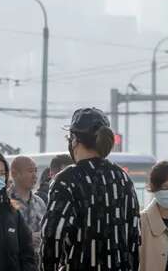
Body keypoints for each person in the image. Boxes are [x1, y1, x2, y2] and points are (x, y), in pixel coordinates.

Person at [40, 107, 140, 271]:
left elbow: (53, 235)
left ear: (74, 140)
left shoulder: (67, 180)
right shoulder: (123, 179)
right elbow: (134, 238)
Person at [10, 156, 46, 265]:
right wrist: (27, 238)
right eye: (30, 171)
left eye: (36, 171)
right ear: (15, 174)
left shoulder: (40, 202)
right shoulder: (4, 202)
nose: (35, 175)